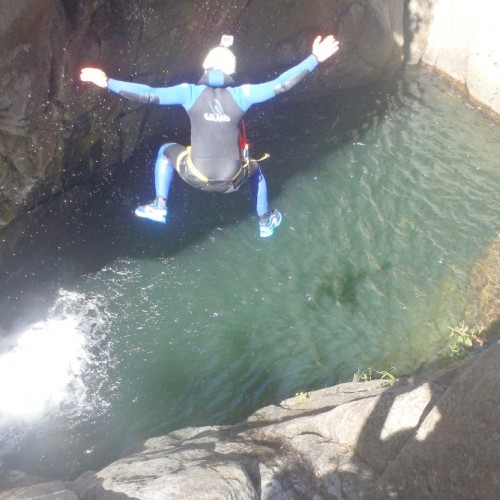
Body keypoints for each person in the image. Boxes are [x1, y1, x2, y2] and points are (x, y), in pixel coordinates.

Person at [80, 34, 339, 237]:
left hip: (195, 175)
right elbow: (281, 84)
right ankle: (265, 221)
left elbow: (148, 94)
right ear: (232, 73)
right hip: (232, 179)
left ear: (204, 68)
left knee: (165, 151)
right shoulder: (243, 95)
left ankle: (160, 205)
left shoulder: (188, 92)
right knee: (256, 170)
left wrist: (108, 82)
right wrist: (314, 58)